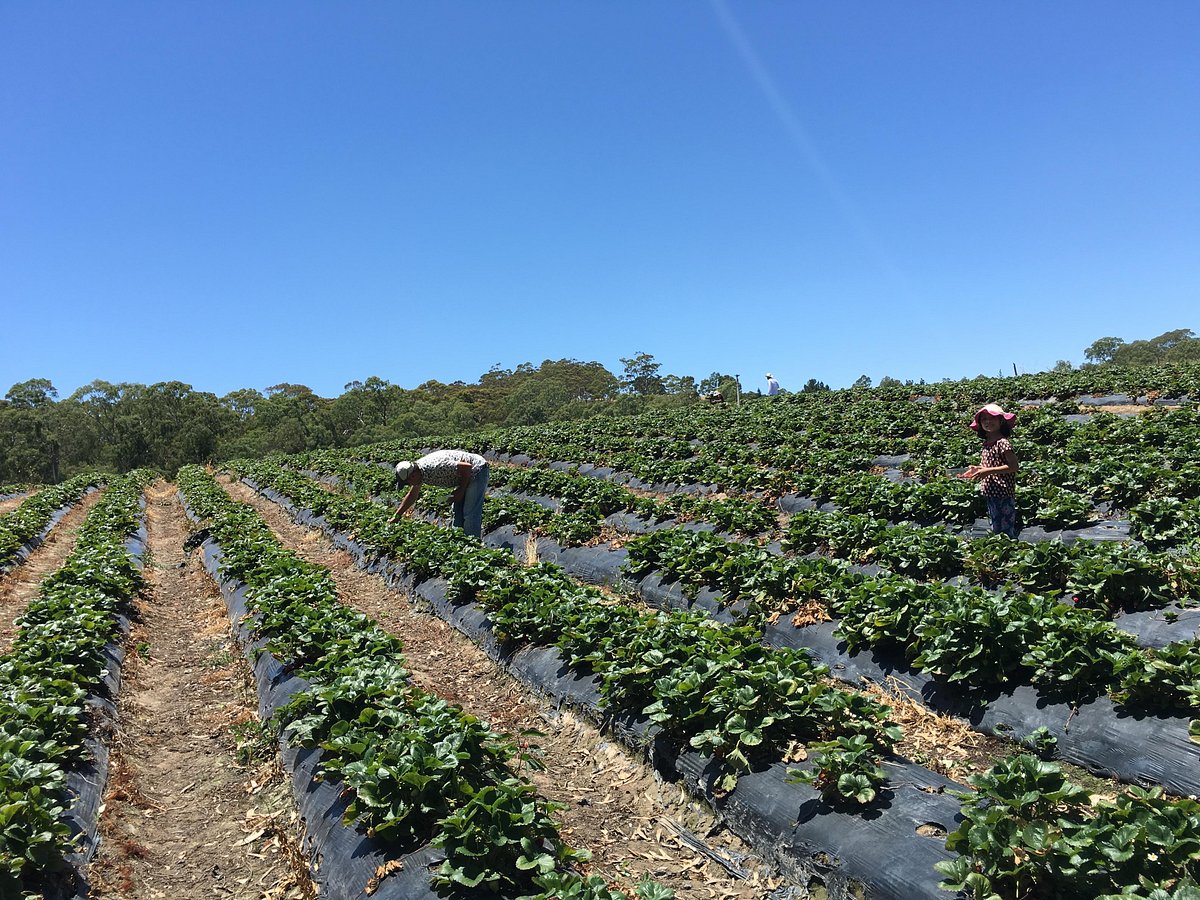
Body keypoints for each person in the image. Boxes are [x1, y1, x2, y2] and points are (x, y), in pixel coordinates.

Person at [389, 449, 490, 539]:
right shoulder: (419, 472)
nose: (409, 485)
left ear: (412, 476)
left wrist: (461, 490)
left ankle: (473, 547)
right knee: (457, 513)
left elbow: (467, 467)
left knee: (470, 514)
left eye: (407, 482)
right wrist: (397, 516)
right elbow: (412, 495)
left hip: (477, 470)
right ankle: (460, 544)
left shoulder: (435, 467)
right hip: (462, 476)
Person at [959, 403, 1020, 537]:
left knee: (1005, 526)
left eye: (991, 418)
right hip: (991, 490)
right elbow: (991, 465)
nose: (987, 422)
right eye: (984, 419)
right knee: (995, 523)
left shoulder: (1002, 443)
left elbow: (1014, 466)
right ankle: (1000, 548)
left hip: (1003, 491)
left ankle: (1008, 549)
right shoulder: (986, 444)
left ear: (1001, 421)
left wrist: (987, 471)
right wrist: (978, 469)